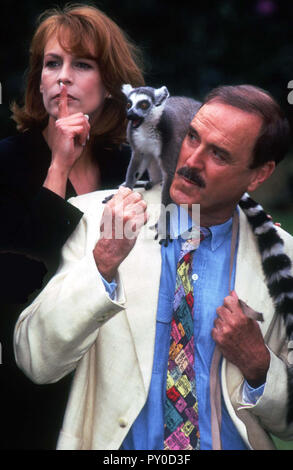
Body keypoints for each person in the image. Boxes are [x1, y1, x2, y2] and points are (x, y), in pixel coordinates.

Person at [14, 84, 293, 450]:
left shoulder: (283, 256)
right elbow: (36, 360)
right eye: (192, 136)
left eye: (219, 155)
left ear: (259, 175)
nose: (191, 161)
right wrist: (103, 263)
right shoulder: (96, 218)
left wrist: (260, 366)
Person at [0, 4, 144, 449]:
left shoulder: (128, 165)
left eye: (82, 65)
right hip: (26, 378)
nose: (63, 77)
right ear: (37, 81)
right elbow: (22, 276)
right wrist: (59, 165)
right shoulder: (7, 160)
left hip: (108, 376)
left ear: (109, 85)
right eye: (52, 64)